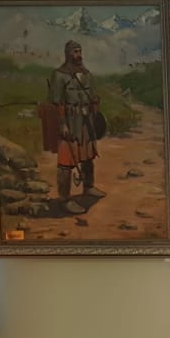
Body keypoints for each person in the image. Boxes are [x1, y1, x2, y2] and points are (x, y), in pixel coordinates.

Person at [49, 40, 106, 215]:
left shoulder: (87, 74)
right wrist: (62, 124)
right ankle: (64, 199)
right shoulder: (59, 75)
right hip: (70, 123)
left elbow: (93, 97)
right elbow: (58, 103)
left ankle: (88, 187)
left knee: (88, 156)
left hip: (86, 122)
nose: (78, 55)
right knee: (66, 162)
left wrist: (96, 116)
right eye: (75, 52)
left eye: (80, 51)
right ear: (68, 54)